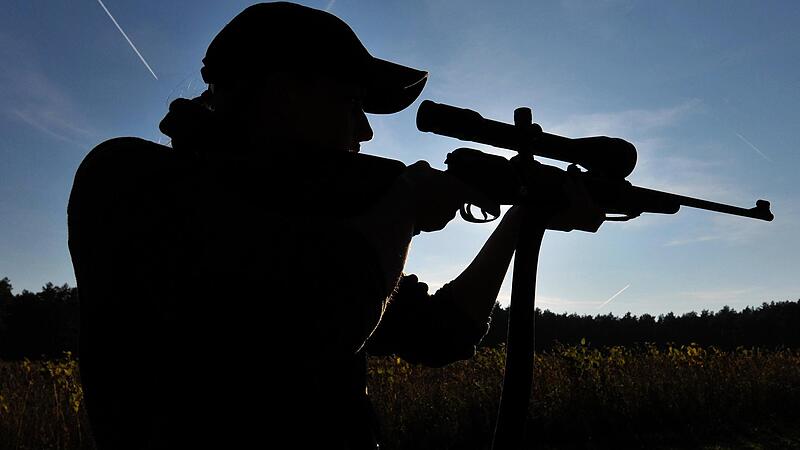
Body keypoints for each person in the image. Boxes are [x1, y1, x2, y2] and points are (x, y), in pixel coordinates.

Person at [68, 2, 601, 449]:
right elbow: (310, 324)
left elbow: (443, 334)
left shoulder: (326, 215)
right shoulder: (128, 179)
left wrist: (517, 221)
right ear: (281, 92)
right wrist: (404, 209)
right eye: (352, 103)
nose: (365, 130)